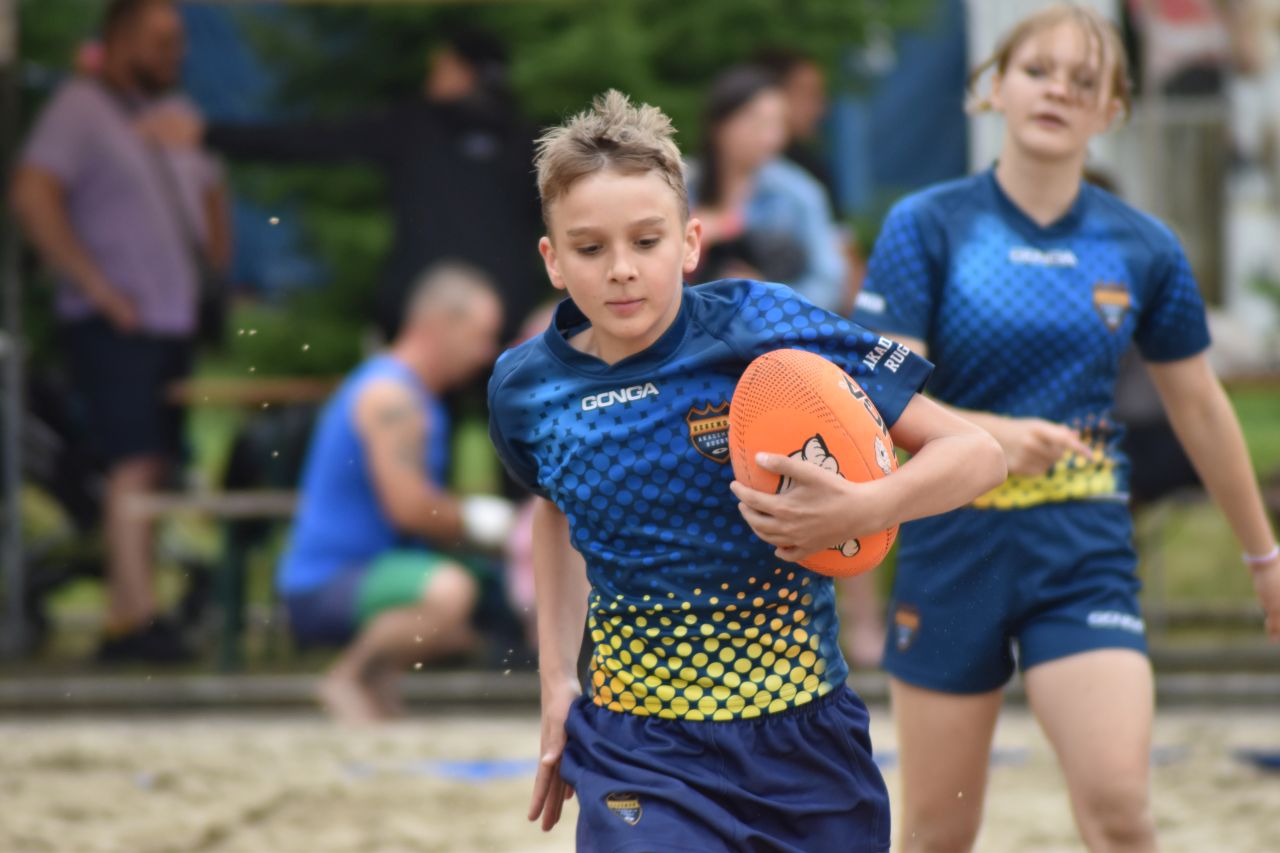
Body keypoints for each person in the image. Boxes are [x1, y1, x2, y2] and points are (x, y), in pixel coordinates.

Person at [488, 90, 1006, 851]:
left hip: (804, 735)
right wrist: (557, 681)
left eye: (646, 240)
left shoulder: (762, 325)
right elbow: (554, 508)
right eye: (590, 249)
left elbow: (978, 455)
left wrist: (866, 507)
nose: (622, 269)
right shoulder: (526, 388)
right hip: (639, 743)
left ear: (690, 242)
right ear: (553, 260)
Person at [852, 6, 1280, 850]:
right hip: (952, 546)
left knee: (1121, 812)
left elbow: (1200, 406)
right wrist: (990, 437)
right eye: (1039, 70)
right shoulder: (927, 224)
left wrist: (1264, 557)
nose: (1058, 91)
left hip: (1083, 551)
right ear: (994, 88)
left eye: (1084, 81)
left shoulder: (1144, 246)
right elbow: (883, 392)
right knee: (938, 831)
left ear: (1111, 110)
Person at [10, 0, 232, 662]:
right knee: (131, 462)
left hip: (172, 317)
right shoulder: (79, 109)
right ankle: (128, 615)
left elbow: (212, 203)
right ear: (118, 39)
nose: (173, 54)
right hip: (117, 319)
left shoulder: (176, 114)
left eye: (177, 41)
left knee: (157, 461)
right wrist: (96, 285)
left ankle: (142, 604)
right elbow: (32, 194)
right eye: (159, 41)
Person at [138, 27, 544, 343]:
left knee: (403, 401)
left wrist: (209, 135)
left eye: (440, 68)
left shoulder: (414, 127)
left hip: (416, 316)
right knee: (510, 418)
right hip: (505, 316)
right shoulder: (530, 143)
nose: (431, 78)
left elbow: (314, 140)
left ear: (462, 73)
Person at [278, 262, 513, 724]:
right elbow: (409, 510)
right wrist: (486, 522)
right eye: (481, 335)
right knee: (449, 593)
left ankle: (377, 698)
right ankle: (348, 678)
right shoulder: (392, 397)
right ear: (440, 325)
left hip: (370, 571)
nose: (487, 353)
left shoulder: (409, 392)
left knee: (472, 599)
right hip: (326, 582)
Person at [687, 65, 848, 313]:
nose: (769, 137)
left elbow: (829, 282)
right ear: (719, 123)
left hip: (768, 326)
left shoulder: (799, 193)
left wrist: (770, 297)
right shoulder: (679, 184)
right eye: (756, 122)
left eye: (777, 124)